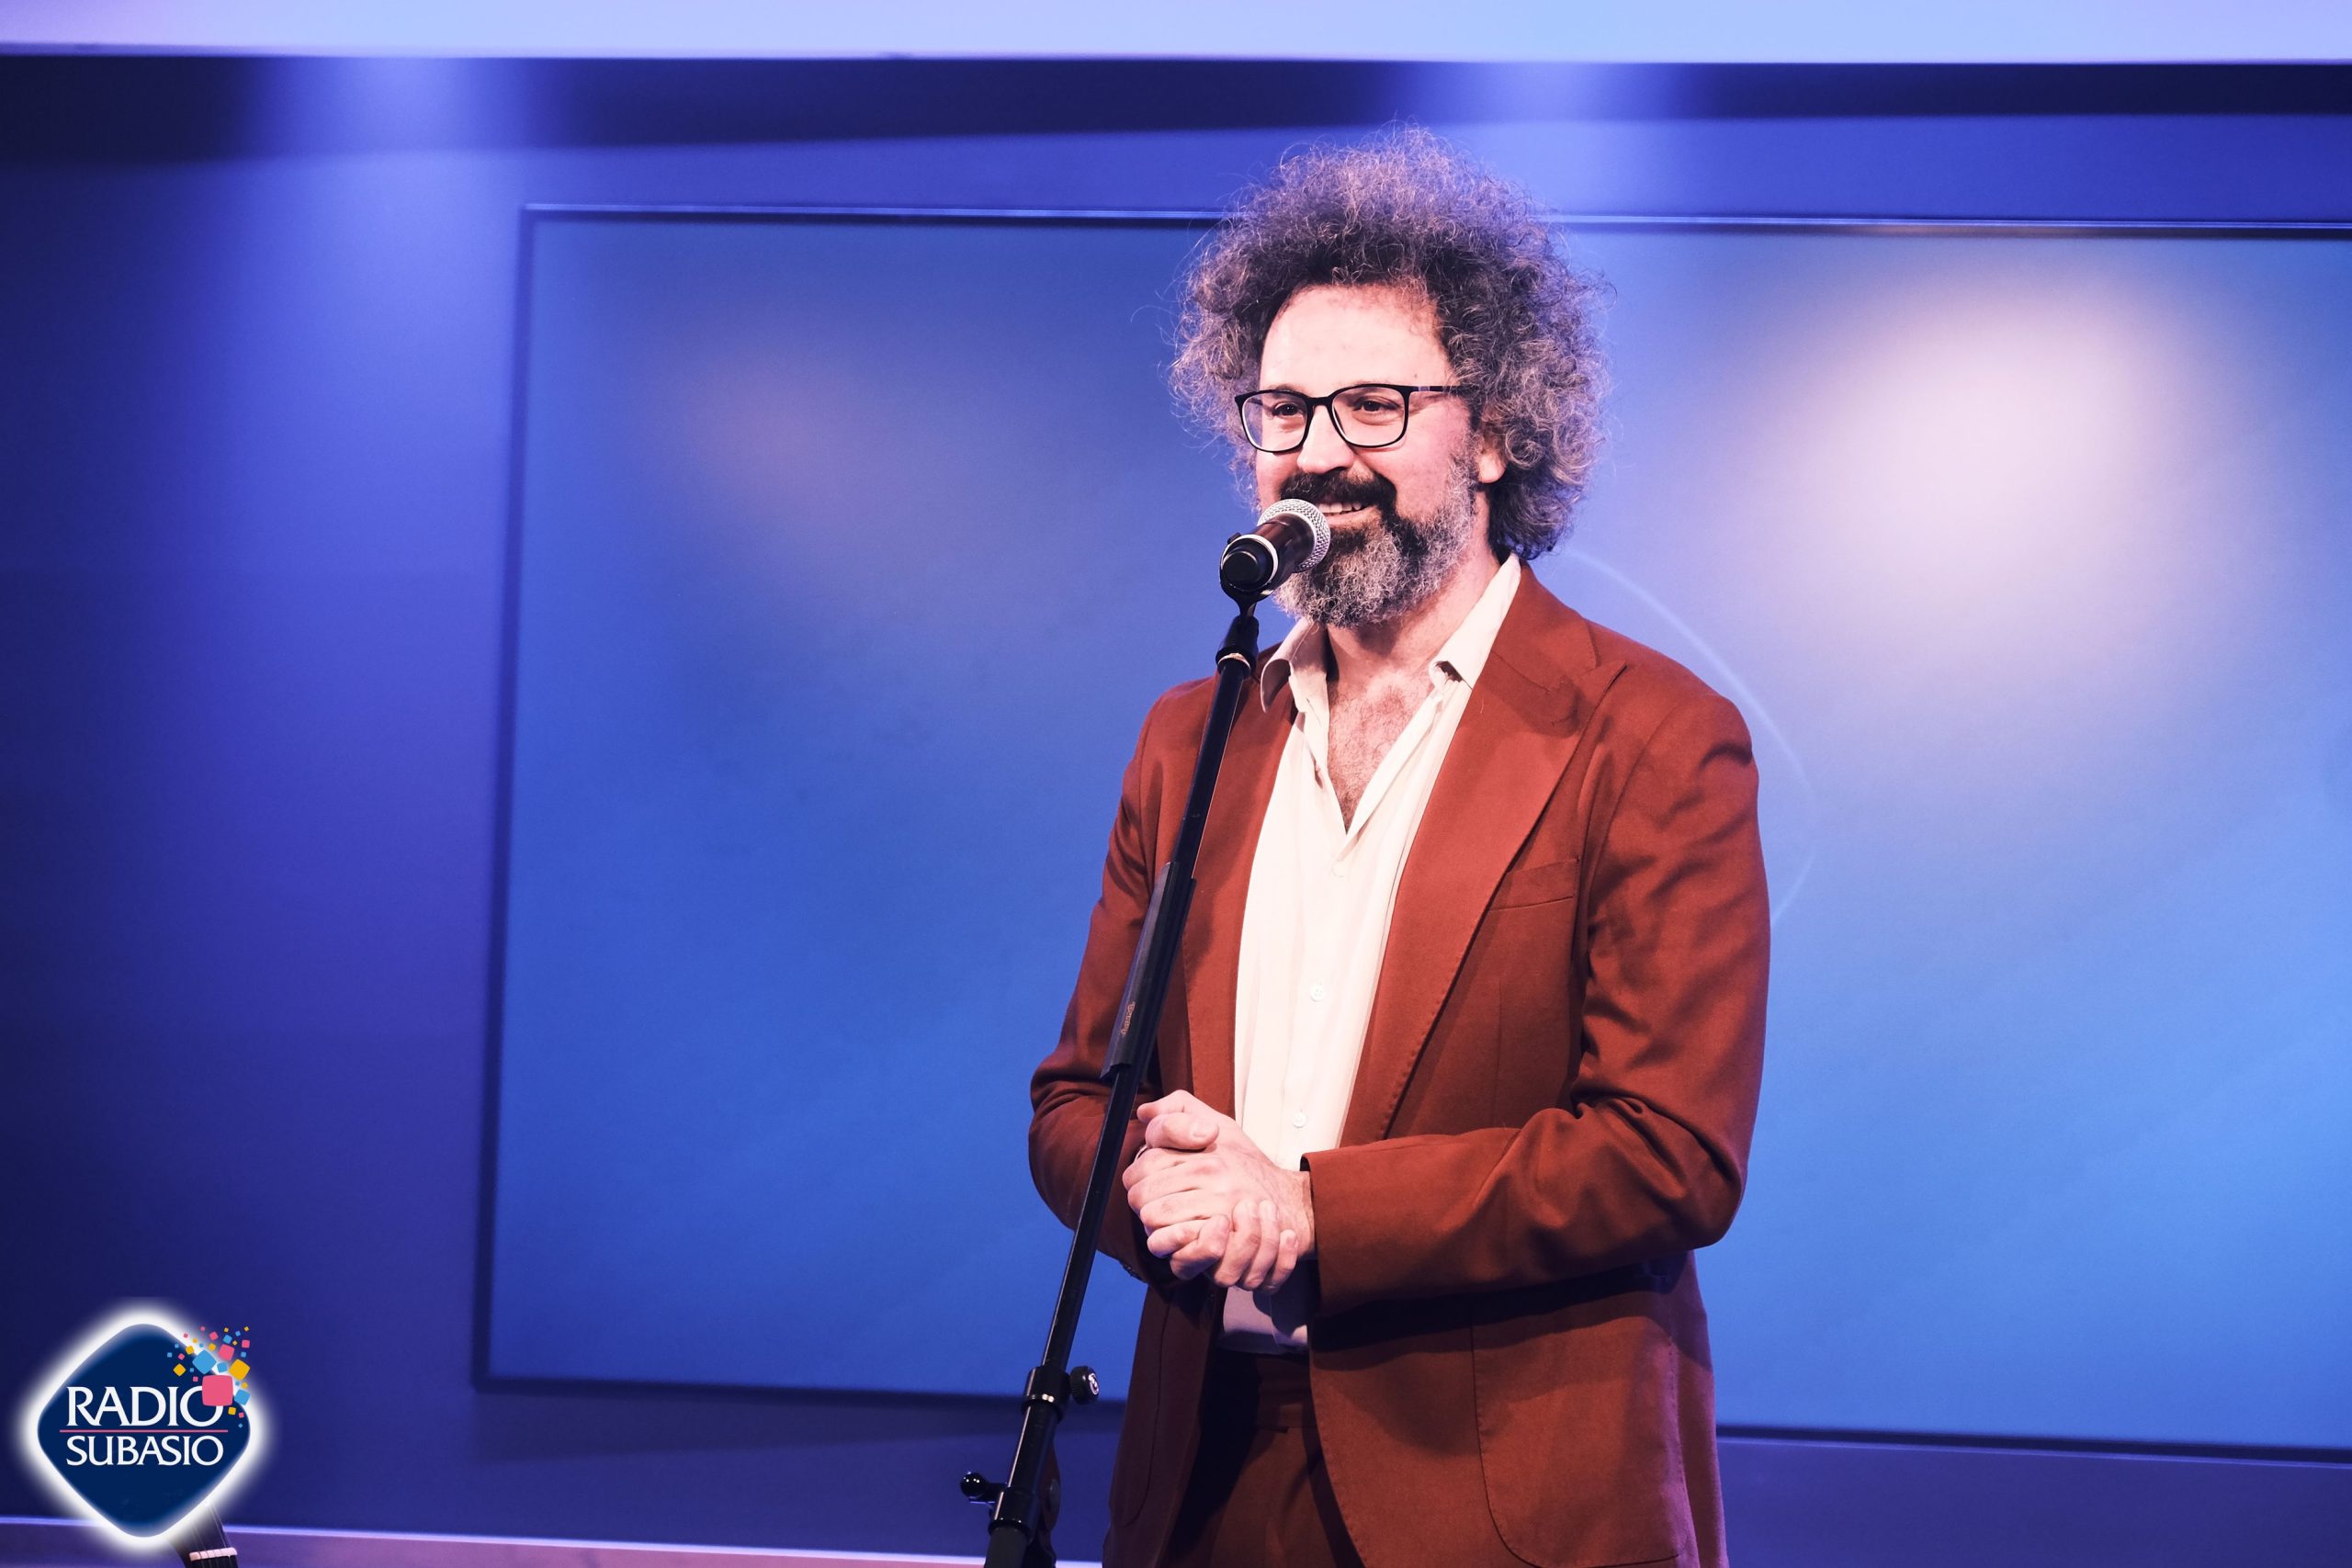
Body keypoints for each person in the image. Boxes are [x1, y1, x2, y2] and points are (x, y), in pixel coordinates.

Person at [1029, 128, 1770, 1568]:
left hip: (1500, 1504)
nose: (1319, 454)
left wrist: (1310, 1212)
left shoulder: (1652, 736)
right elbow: (1074, 1102)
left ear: (1494, 433)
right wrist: (1153, 1183)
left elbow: (1667, 1153)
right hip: (1200, 1489)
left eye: (1375, 405)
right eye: (1283, 409)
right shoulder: (1193, 736)